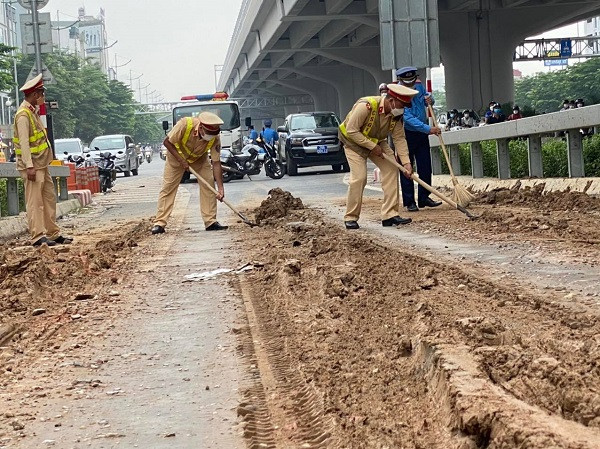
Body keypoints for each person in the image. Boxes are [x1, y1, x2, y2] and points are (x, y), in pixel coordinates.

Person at [339, 83, 418, 229]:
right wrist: (372, 147)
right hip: (353, 143)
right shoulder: (366, 106)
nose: (403, 109)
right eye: (402, 105)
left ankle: (390, 215)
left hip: (376, 142)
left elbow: (399, 138)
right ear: (391, 100)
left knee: (391, 168)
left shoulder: (396, 116)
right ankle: (350, 217)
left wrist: (406, 163)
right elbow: (352, 130)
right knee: (359, 178)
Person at [13, 74, 72, 247]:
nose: (43, 97)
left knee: (48, 198)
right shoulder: (23, 115)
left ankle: (53, 233)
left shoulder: (33, 112)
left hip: (42, 164)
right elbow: (24, 144)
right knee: (35, 202)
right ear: (34, 95)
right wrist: (29, 166)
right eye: (41, 94)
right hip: (32, 166)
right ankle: (38, 236)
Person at [151, 111, 228, 234]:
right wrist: (181, 161)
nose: (210, 137)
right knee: (168, 188)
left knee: (208, 185)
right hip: (176, 159)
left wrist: (220, 188)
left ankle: (210, 221)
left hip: (199, 160)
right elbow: (167, 142)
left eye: (213, 135)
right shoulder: (185, 124)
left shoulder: (215, 138)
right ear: (201, 128)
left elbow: (216, 162)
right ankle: (160, 223)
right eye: (208, 134)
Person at [396, 66, 442, 213]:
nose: (411, 84)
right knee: (407, 168)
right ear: (401, 80)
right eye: (407, 81)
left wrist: (430, 99)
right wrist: (429, 129)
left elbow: (427, 101)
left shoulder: (419, 85)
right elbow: (407, 118)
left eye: (412, 80)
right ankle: (409, 201)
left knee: (425, 166)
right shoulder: (397, 92)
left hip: (422, 134)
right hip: (406, 134)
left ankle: (424, 197)